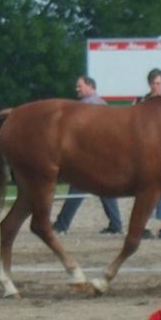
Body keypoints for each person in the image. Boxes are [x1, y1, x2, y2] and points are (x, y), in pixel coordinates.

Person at [52, 76, 123, 235]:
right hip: (101, 156)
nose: (77, 89)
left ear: (90, 86)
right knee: (104, 190)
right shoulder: (102, 104)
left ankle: (61, 225)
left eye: (80, 86)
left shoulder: (85, 107)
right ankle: (116, 225)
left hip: (88, 157)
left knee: (77, 189)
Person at [140, 68, 161, 239]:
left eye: (159, 83)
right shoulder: (141, 102)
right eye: (154, 83)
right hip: (146, 150)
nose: (157, 87)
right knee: (145, 189)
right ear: (149, 84)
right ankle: (144, 225)